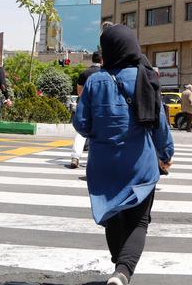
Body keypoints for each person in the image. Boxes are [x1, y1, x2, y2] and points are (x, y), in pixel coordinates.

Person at [73, 24, 173, 285]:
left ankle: (120, 264)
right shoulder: (146, 77)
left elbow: (81, 124)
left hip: (104, 163)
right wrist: (166, 153)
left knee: (113, 216)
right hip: (140, 162)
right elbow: (159, 124)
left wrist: (102, 133)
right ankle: (122, 271)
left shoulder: (95, 81)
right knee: (139, 221)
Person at [69, 51, 102, 169]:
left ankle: (75, 157)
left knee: (81, 132)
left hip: (85, 106)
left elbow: (79, 92)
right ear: (102, 60)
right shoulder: (104, 73)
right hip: (100, 107)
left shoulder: (84, 73)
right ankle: (94, 161)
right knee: (99, 133)